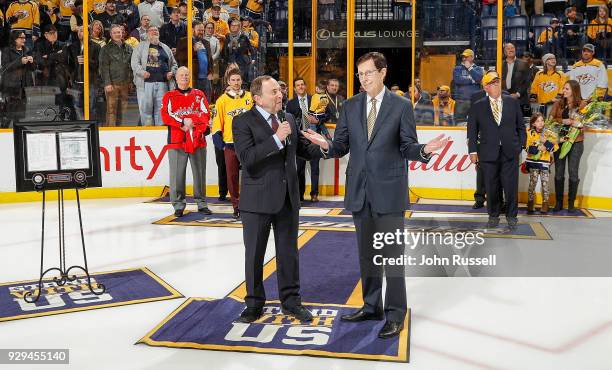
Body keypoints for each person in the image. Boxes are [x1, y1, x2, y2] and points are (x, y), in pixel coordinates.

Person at [303, 52, 450, 339]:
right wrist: (326, 144)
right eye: (360, 74)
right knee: (367, 255)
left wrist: (423, 150)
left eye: (368, 73)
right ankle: (372, 305)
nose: (364, 78)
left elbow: (407, 145)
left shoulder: (401, 106)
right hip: (360, 191)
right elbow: (342, 145)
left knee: (392, 257)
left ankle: (396, 313)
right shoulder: (350, 105)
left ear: (383, 73)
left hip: (389, 193)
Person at [232, 75, 325, 324]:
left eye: (279, 90)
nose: (279, 94)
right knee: (254, 255)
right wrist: (276, 139)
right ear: (258, 98)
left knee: (289, 254)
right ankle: (253, 304)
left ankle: (292, 302)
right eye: (273, 91)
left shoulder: (289, 118)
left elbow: (302, 150)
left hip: (287, 199)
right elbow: (247, 158)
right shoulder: (242, 122)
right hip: (256, 201)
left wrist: (324, 146)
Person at [467, 71, 527, 231]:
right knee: (491, 186)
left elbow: (521, 126)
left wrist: (520, 145)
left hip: (510, 151)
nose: (496, 85)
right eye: (492, 83)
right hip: (487, 152)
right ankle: (493, 217)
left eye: (497, 81)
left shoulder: (512, 102)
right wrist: (472, 151)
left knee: (511, 186)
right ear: (485, 87)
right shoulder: (478, 105)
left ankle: (511, 217)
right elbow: (471, 131)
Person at [161, 66, 213, 217]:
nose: (184, 77)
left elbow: (205, 113)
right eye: (181, 75)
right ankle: (178, 204)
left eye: (187, 75)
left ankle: (202, 203)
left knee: (200, 173)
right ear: (176, 78)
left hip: (197, 140)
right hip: (177, 141)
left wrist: (192, 122)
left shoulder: (199, 94)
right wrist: (182, 122)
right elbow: (166, 116)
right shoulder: (169, 96)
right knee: (177, 174)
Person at [211, 68, 254, 218]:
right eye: (233, 80)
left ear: (242, 81)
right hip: (230, 145)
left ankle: (250, 204)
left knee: (251, 175)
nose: (236, 83)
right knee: (232, 177)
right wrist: (221, 144)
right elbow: (217, 124)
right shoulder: (221, 101)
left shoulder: (250, 97)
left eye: (238, 80)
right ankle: (237, 206)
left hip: (248, 145)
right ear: (228, 82)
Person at [549, 80, 586, 213]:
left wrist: (579, 125)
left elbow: (585, 124)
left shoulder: (582, 104)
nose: (563, 91)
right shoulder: (558, 103)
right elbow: (550, 120)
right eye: (564, 88)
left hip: (575, 143)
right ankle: (558, 202)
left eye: (567, 89)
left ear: (574, 91)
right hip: (559, 142)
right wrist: (563, 121)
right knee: (559, 173)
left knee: (573, 173)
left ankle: (571, 203)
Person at [131, 26, 177, 126]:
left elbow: (174, 64)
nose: (154, 32)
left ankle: (159, 134)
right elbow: (134, 63)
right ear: (147, 34)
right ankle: (148, 135)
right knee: (146, 112)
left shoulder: (165, 47)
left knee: (160, 112)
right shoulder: (140, 46)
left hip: (163, 84)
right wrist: (142, 73)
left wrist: (172, 72)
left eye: (156, 30)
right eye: (151, 30)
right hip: (145, 84)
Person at [286, 77, 318, 202]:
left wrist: (318, 120)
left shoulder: (314, 100)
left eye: (302, 84)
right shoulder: (290, 103)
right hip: (299, 139)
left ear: (305, 86)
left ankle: (314, 194)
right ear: (294, 88)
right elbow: (288, 120)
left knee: (315, 167)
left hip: (314, 137)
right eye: (297, 85)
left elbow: (323, 116)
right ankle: (300, 195)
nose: (300, 87)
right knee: (299, 168)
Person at [525, 112, 559, 215]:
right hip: (533, 163)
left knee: (545, 184)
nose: (540, 123)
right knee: (532, 183)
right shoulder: (529, 132)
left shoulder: (549, 133)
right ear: (533, 123)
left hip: (544, 163)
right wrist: (536, 148)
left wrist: (546, 142)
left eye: (542, 120)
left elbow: (555, 147)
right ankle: (530, 203)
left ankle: (545, 204)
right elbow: (527, 147)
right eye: (537, 121)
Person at [99, 23, 133, 126]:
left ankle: (119, 130)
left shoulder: (129, 48)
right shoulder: (105, 49)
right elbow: (103, 67)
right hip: (112, 84)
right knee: (111, 110)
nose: (117, 34)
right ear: (111, 34)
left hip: (125, 84)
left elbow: (131, 66)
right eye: (115, 33)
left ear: (122, 33)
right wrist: (107, 83)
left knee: (122, 110)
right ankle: (110, 131)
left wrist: (131, 81)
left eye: (119, 32)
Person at [0, 30, 36, 126]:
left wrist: (32, 62)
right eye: (21, 37)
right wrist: (20, 62)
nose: (24, 40)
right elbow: (5, 67)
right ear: (14, 39)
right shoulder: (6, 50)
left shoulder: (27, 50)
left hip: (23, 87)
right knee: (8, 115)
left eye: (24, 37)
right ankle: (4, 131)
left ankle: (17, 134)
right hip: (11, 87)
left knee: (19, 116)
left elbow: (33, 69)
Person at [530, 53, 566, 117]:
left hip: (555, 104)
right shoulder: (539, 73)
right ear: (545, 61)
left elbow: (563, 87)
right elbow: (534, 87)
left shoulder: (560, 74)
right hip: (542, 104)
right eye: (550, 59)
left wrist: (557, 97)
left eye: (554, 58)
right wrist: (533, 96)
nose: (553, 60)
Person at [452, 49, 484, 122]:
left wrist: (469, 68)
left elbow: (479, 79)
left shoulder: (478, 69)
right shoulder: (457, 69)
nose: (464, 58)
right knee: (459, 122)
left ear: (472, 57)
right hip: (461, 100)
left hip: (475, 100)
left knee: (476, 121)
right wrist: (472, 80)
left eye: (466, 57)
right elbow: (458, 80)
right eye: (463, 57)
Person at [502, 42, 530, 115]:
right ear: (505, 52)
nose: (511, 50)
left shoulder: (524, 63)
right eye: (508, 49)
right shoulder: (500, 65)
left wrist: (517, 94)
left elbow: (527, 82)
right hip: (504, 99)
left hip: (520, 100)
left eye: (512, 48)